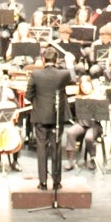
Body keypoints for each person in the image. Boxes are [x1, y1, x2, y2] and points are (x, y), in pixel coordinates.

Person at [25, 46, 73, 190]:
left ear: (43, 59)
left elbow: (28, 96)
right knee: (56, 148)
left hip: (40, 116)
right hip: (57, 116)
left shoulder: (35, 75)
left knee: (41, 148)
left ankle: (43, 182)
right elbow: (73, 79)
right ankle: (57, 182)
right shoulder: (63, 74)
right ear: (57, 60)